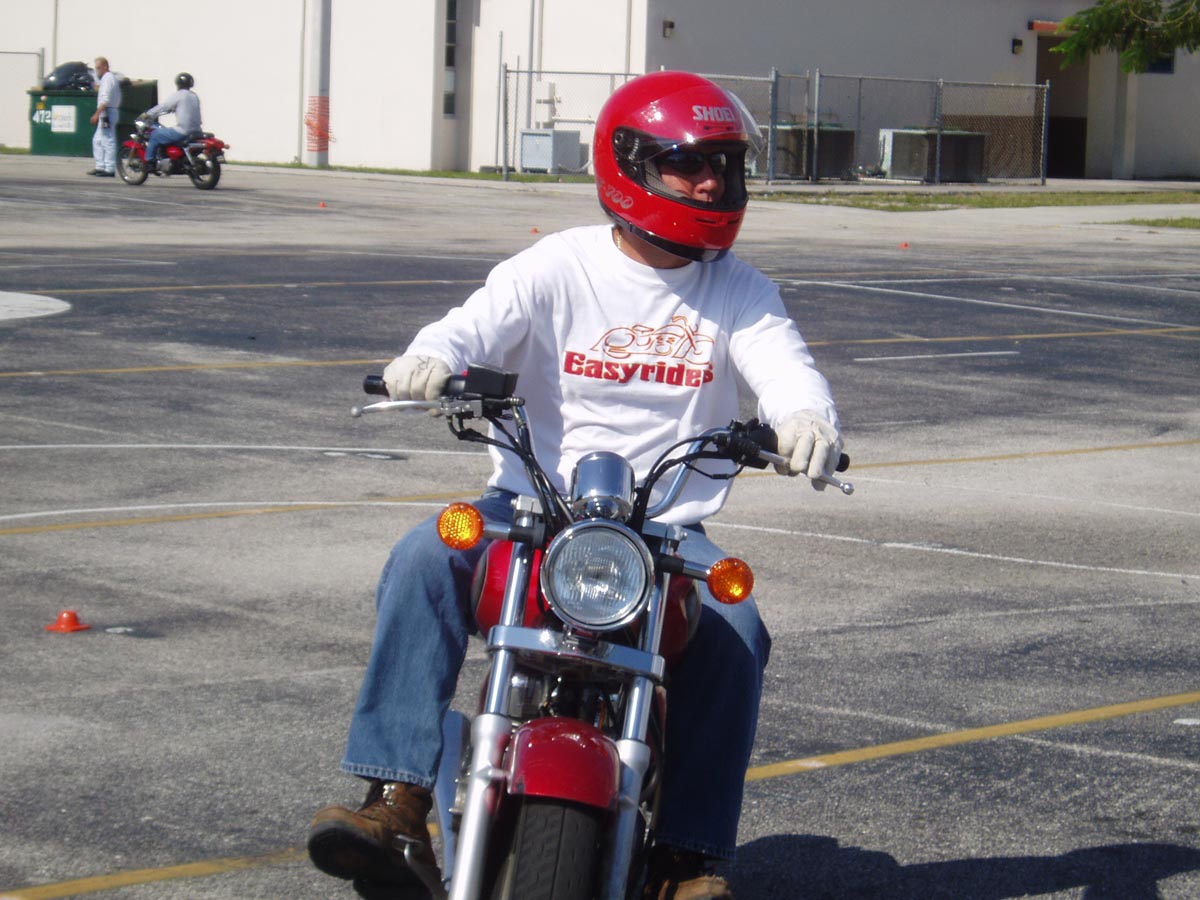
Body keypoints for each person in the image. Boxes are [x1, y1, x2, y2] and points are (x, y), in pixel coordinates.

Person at [306, 70, 843, 900]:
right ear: (628, 165)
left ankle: (689, 857)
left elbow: (786, 368)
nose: (710, 183)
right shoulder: (560, 264)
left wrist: (807, 419)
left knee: (737, 625)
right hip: (528, 511)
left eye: (724, 166)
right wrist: (432, 358)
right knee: (424, 556)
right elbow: (471, 325)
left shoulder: (740, 289)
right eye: (687, 164)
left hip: (665, 534)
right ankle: (397, 793)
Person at [140, 72, 202, 172]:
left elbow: (164, 106)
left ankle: (149, 163)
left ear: (178, 83)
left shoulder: (179, 95)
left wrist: (148, 114)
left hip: (183, 131)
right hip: (197, 130)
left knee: (155, 135)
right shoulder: (194, 96)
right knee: (165, 134)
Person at [86, 57, 121, 177]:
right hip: (106, 112)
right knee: (97, 140)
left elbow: (105, 99)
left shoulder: (108, 78)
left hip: (107, 112)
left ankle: (109, 168)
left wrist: (97, 113)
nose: (97, 71)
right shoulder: (107, 79)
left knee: (108, 140)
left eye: (99, 68)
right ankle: (100, 166)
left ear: (105, 66)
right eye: (96, 68)